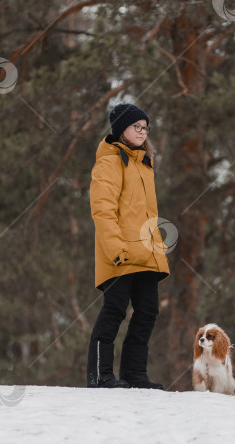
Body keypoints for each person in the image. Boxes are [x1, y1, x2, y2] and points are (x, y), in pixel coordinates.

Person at [87, 103, 170, 389]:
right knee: (115, 312)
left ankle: (135, 374)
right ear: (121, 129)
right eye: (137, 126)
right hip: (120, 255)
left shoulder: (145, 165)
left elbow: (147, 216)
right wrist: (116, 250)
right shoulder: (109, 162)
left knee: (147, 313)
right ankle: (100, 375)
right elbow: (102, 210)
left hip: (147, 255)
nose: (142, 131)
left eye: (145, 127)